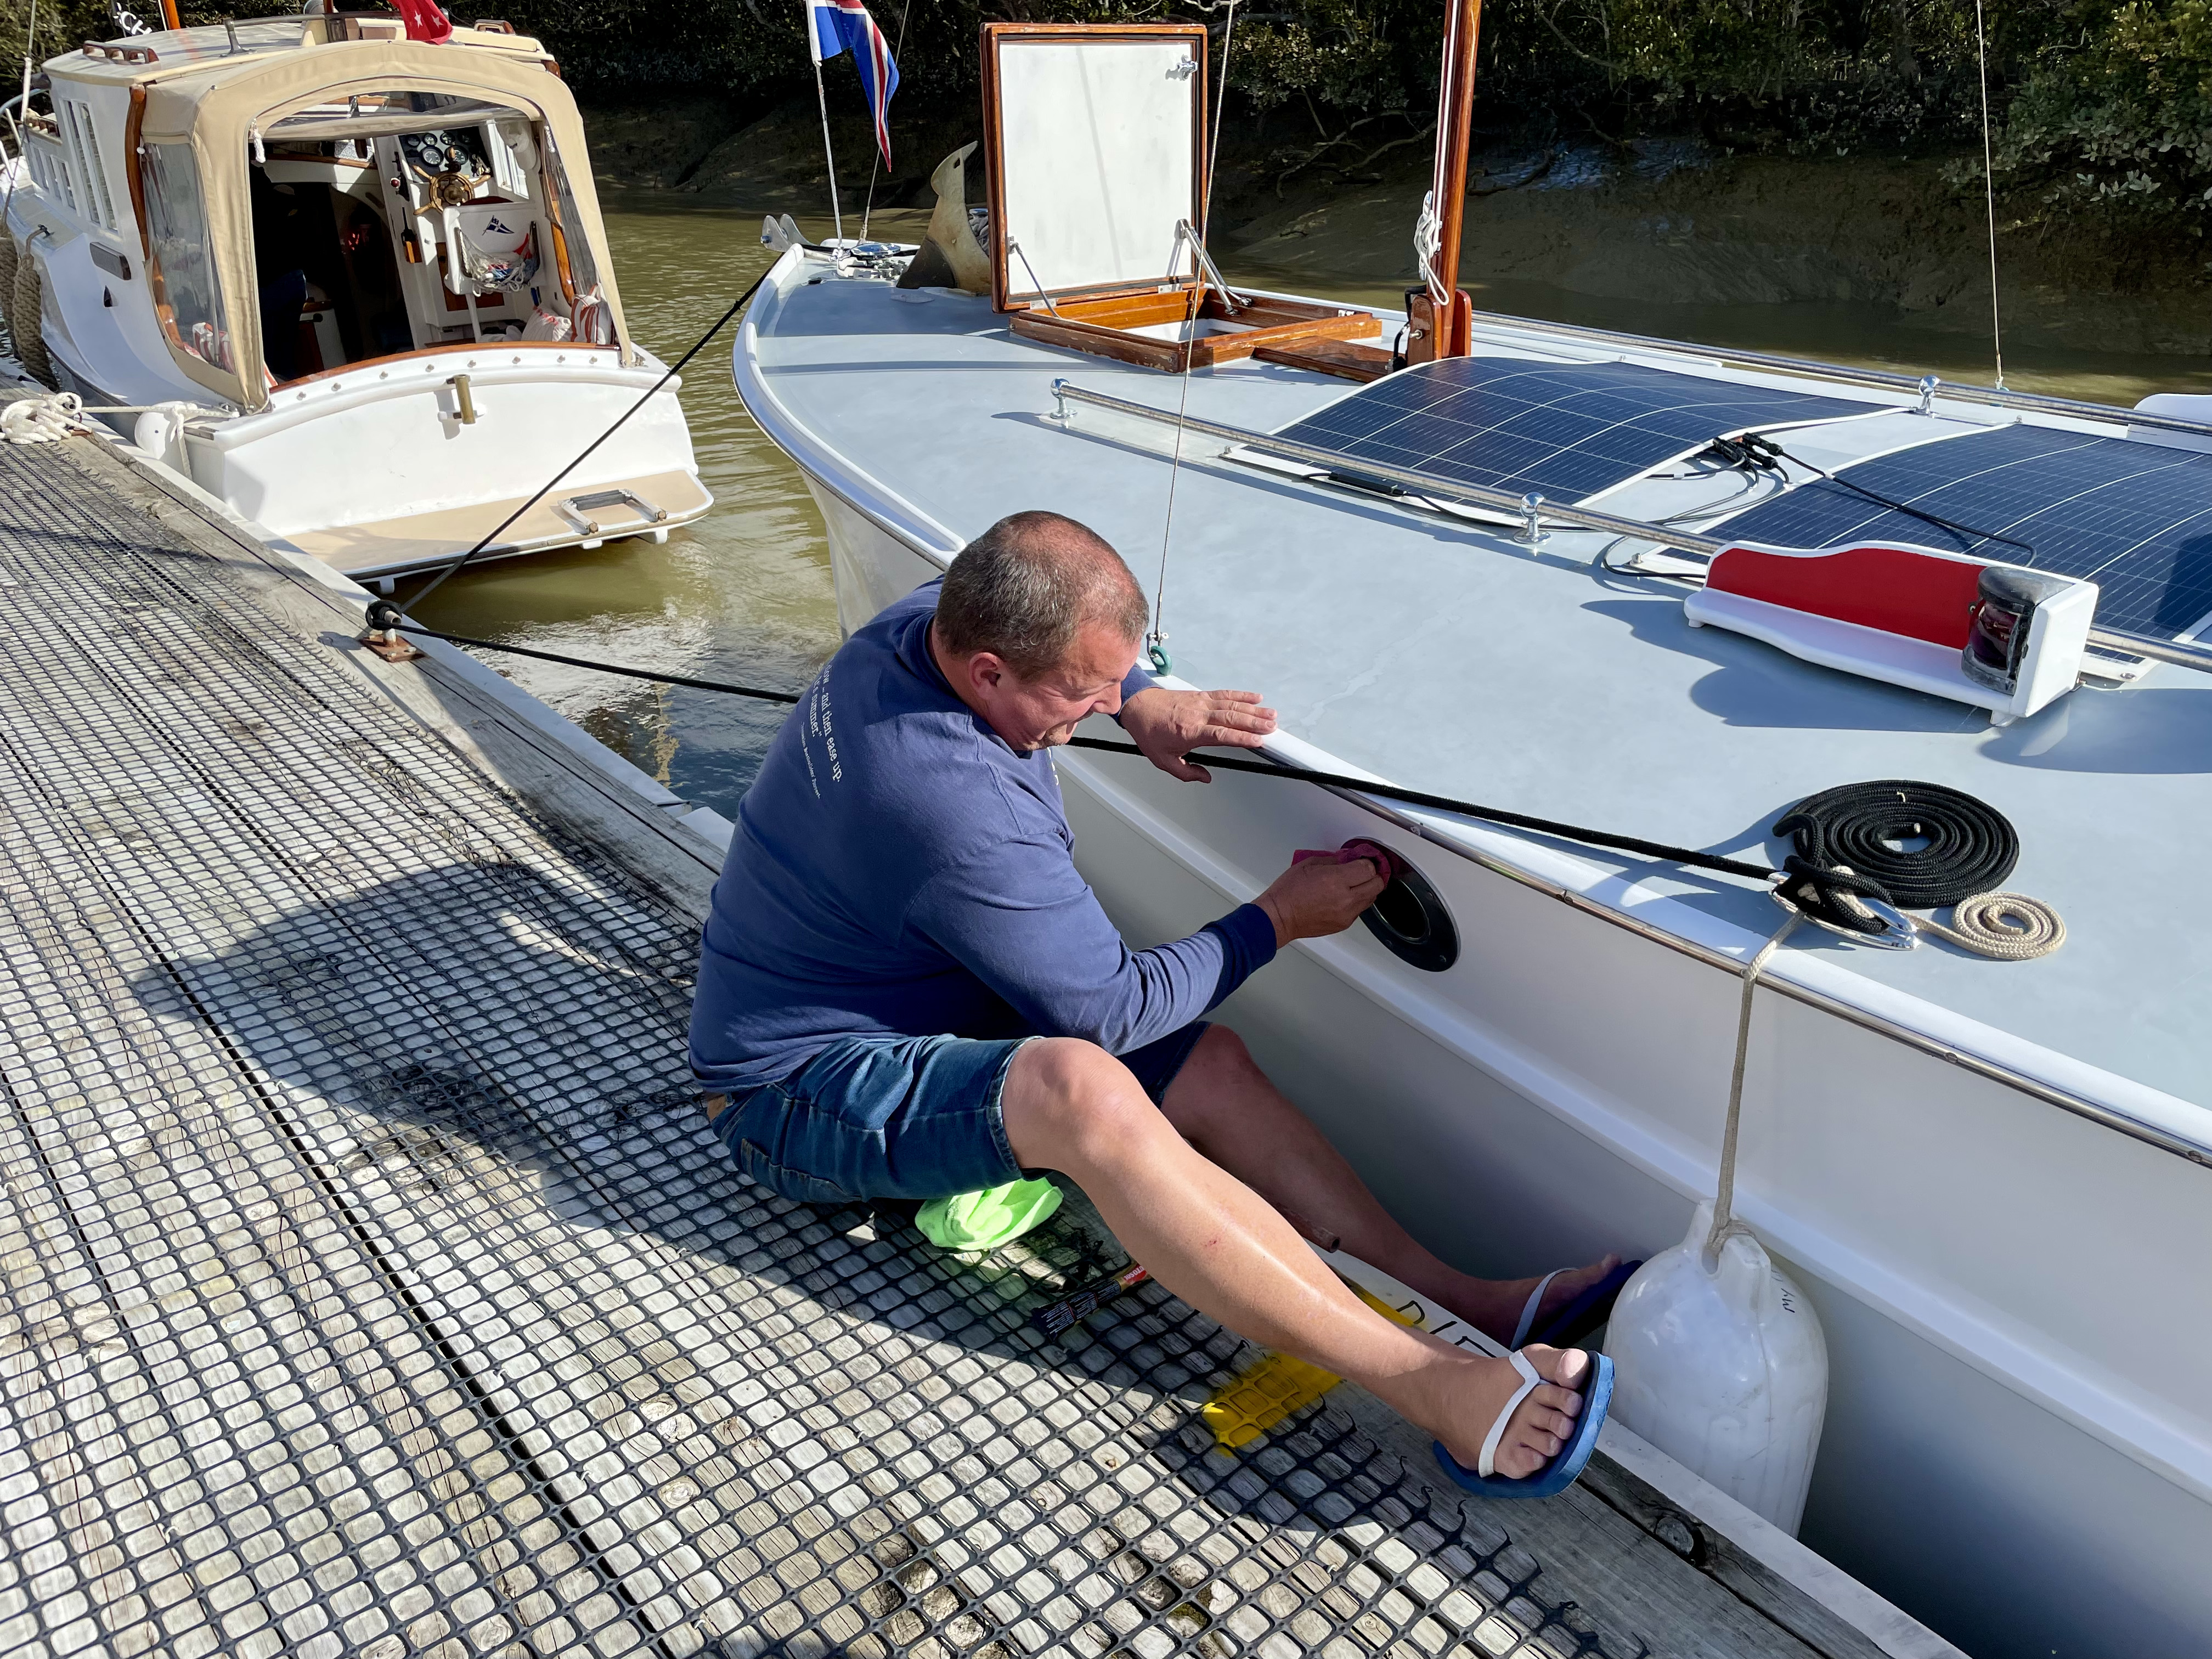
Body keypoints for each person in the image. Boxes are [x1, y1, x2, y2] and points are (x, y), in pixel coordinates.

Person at [691, 510, 1620, 1485]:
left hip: (908, 1008)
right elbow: (1108, 1012)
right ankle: (1432, 1385)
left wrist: (1141, 697)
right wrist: (1276, 919)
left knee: (1208, 1063)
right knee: (1081, 1088)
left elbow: (1032, 608)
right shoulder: (950, 803)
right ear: (990, 674)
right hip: (787, 1095)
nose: (1097, 709)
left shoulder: (928, 622)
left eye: (1109, 683)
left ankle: (1456, 1301)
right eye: (1083, 693)